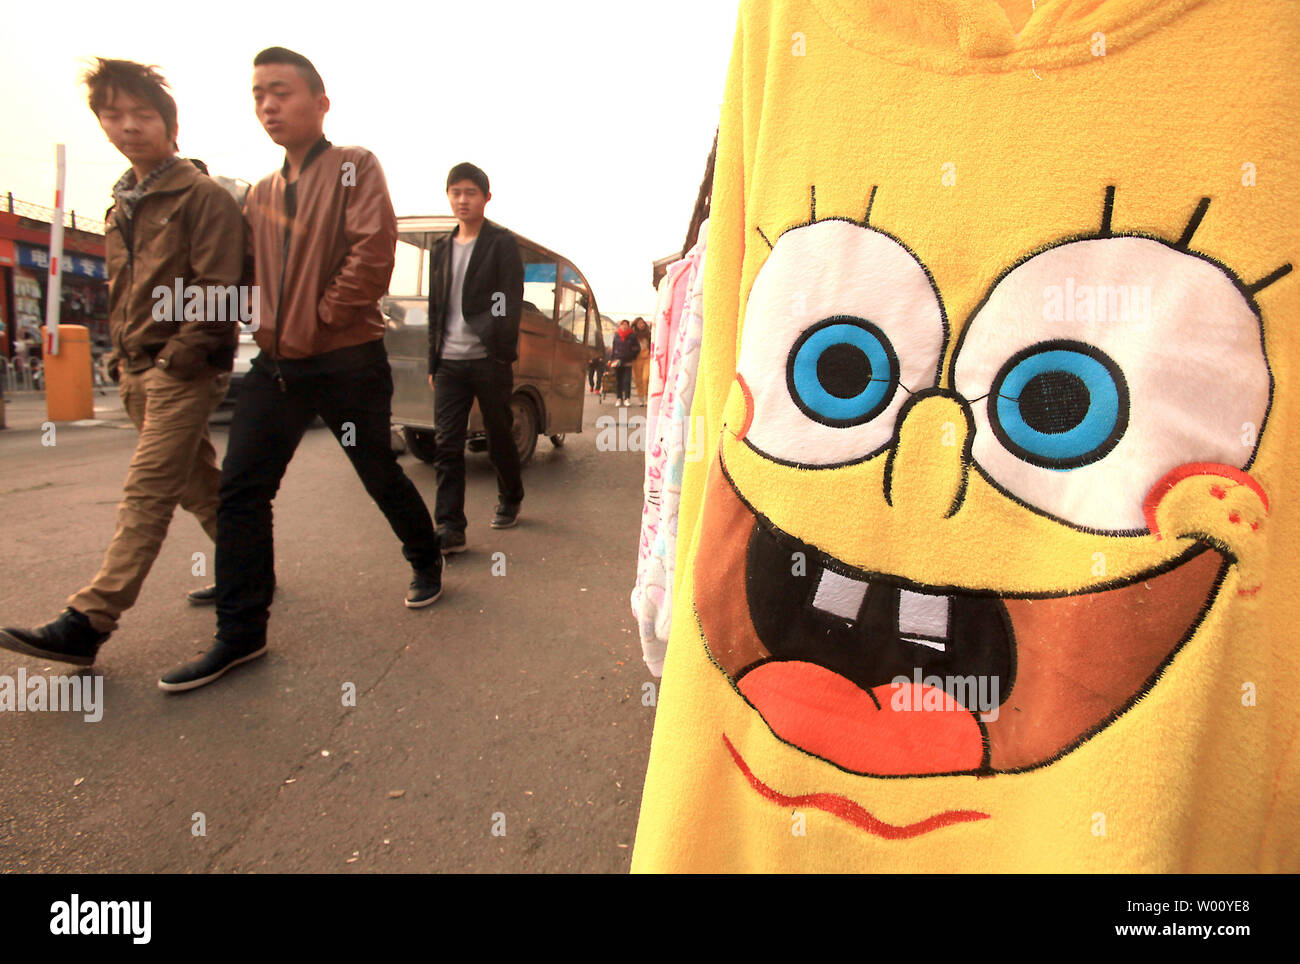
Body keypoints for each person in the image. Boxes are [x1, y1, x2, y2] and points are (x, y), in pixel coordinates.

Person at [631, 0, 1299, 873]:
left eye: (1060, 402)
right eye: (839, 368)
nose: (927, 470)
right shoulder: (784, 24)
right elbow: (725, 402)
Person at [157, 47, 443, 693]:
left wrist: (316, 319)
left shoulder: (354, 166)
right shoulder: (258, 194)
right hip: (279, 368)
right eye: (258, 94)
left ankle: (426, 559)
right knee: (242, 489)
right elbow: (244, 275)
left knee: (376, 469)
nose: (267, 105)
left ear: (321, 102)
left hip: (346, 362)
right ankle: (240, 630)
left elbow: (374, 252)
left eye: (281, 92)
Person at [0, 59, 243, 668]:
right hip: (136, 371)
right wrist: (122, 362)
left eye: (142, 114)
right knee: (201, 489)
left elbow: (219, 289)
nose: (129, 126)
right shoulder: (120, 204)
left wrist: (173, 361)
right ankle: (250, 572)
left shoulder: (202, 196)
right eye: (114, 115)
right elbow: (121, 288)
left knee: (147, 492)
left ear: (168, 122)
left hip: (183, 372)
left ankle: (89, 620)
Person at [425, 162, 525, 553]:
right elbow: (437, 307)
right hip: (449, 362)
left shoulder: (500, 242)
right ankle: (450, 527)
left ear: (486, 197)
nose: (462, 199)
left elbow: (508, 298)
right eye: (455, 192)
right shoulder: (441, 248)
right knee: (447, 444)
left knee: (499, 434)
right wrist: (433, 362)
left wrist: (497, 345)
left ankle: (511, 497)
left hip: (488, 359)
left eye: (470, 192)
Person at [608, 319, 640, 407]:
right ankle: (619, 398)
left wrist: (632, 356)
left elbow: (637, 348)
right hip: (617, 361)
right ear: (620, 326)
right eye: (623, 324)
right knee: (618, 381)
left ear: (628, 326)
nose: (624, 326)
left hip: (628, 362)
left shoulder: (632, 336)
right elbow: (614, 348)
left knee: (627, 381)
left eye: (626, 324)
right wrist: (611, 359)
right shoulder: (616, 335)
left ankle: (627, 398)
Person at [631, 317, 652, 404]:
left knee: (646, 378)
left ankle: (647, 396)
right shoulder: (633, 335)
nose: (641, 325)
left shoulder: (649, 334)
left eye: (642, 323)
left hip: (647, 358)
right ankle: (641, 398)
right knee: (638, 379)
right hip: (636, 359)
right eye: (639, 323)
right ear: (636, 325)